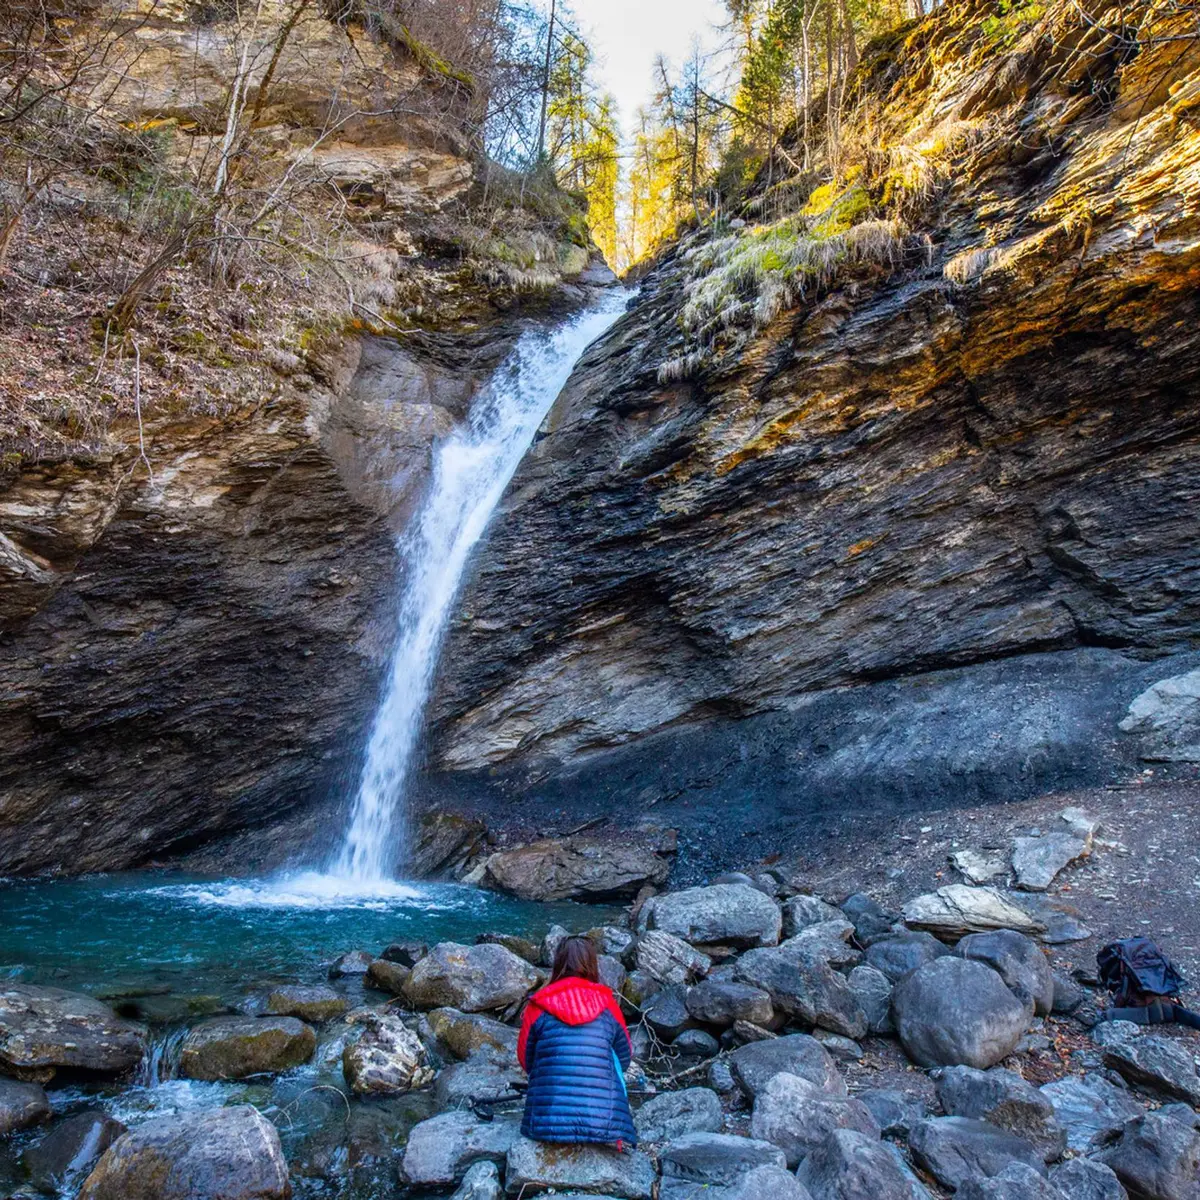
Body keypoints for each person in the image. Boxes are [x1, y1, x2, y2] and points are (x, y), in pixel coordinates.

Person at [516, 934, 636, 1147]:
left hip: (546, 1125)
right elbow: (625, 1058)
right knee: (612, 1058)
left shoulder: (538, 1005)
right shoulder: (608, 1003)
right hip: (604, 1127)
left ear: (558, 963)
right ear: (592, 964)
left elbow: (526, 1060)